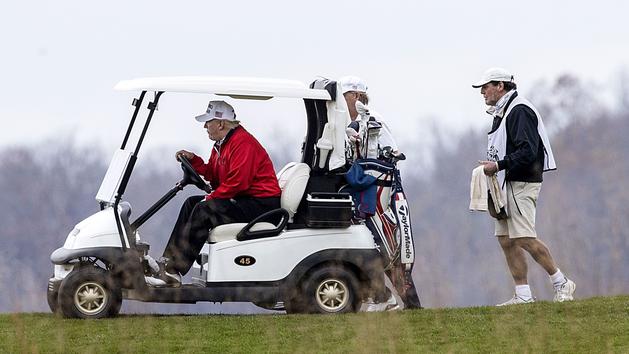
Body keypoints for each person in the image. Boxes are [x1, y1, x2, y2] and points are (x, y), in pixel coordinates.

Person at [147, 100, 281, 287]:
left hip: (261, 206)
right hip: (244, 200)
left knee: (205, 209)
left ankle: (175, 270)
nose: (205, 126)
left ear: (220, 123)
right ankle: (168, 264)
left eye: (208, 122)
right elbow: (214, 174)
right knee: (191, 204)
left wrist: (212, 197)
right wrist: (194, 161)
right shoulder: (222, 144)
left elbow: (238, 183)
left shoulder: (243, 144)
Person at [473, 67, 576, 305]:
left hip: (522, 182)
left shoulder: (519, 110)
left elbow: (528, 151)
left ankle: (561, 282)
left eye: (486, 87)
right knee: (506, 239)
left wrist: (498, 165)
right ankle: (523, 294)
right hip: (507, 182)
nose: (482, 92)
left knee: (524, 237)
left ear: (501, 86)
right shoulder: (505, 110)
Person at [340, 76, 422, 311]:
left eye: (344, 96)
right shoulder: (348, 122)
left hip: (378, 195)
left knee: (388, 248)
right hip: (363, 192)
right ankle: (382, 298)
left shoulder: (372, 120)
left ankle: (407, 304)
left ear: (356, 96)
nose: (340, 102)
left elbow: (389, 155)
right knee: (373, 246)